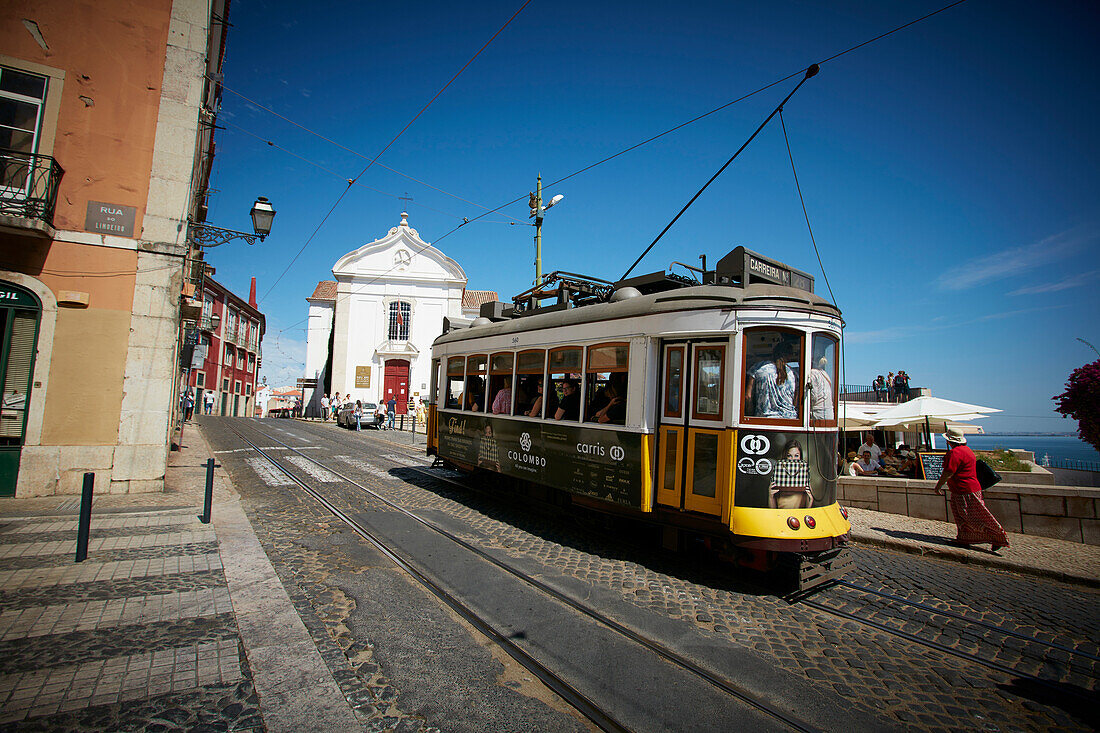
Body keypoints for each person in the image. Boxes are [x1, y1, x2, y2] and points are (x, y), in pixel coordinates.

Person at [933, 428, 1009, 551]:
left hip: (964, 489)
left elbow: (948, 472)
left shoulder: (955, 453)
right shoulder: (967, 450)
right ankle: (964, 538)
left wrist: (938, 486)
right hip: (968, 487)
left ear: (949, 441)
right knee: (963, 516)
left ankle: (998, 536)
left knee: (973, 515)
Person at [745, 341, 798, 419]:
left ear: (773, 353)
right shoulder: (793, 374)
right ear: (789, 356)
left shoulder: (758, 368)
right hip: (789, 420)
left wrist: (750, 415)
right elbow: (795, 400)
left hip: (764, 419)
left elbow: (748, 396)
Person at [769, 439, 813, 509]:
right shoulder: (779, 476)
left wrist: (811, 500)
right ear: (785, 456)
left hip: (798, 516)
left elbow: (807, 509)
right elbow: (773, 510)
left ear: (800, 457)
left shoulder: (804, 478)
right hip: (781, 515)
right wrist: (771, 496)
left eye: (796, 455)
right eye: (789, 455)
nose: (793, 459)